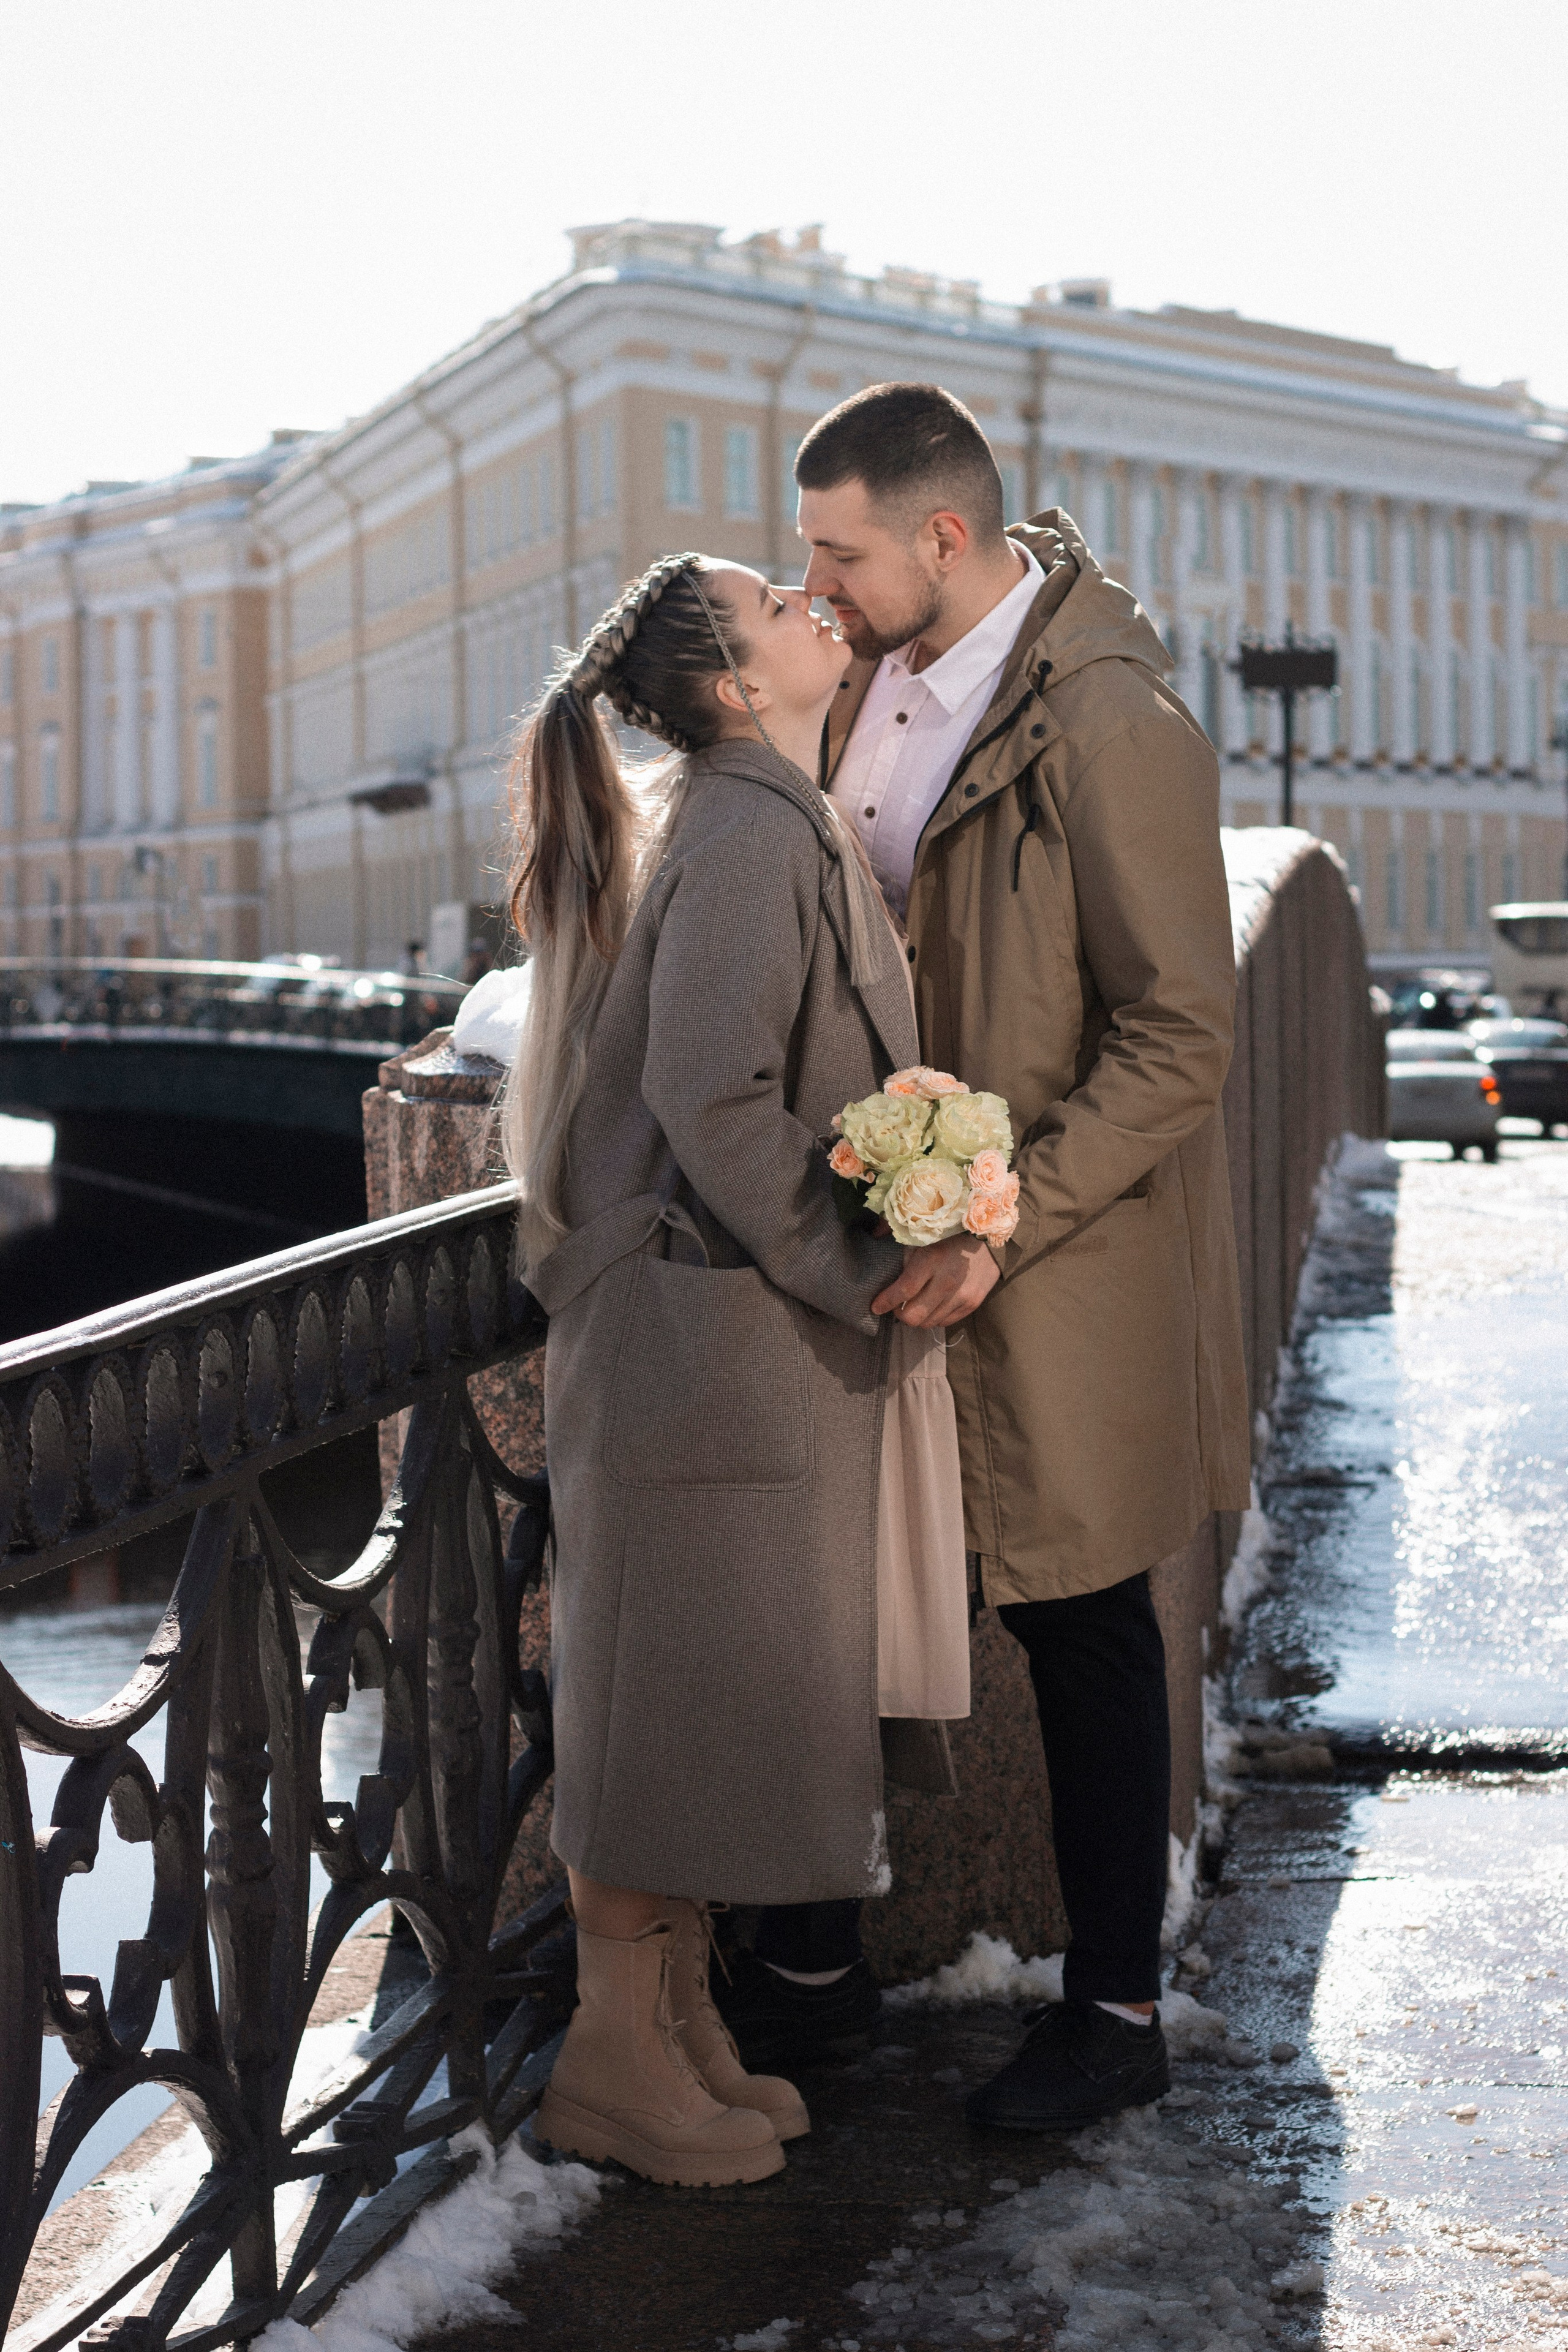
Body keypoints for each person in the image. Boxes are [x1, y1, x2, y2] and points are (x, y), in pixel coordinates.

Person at [723, 383, 1250, 2129]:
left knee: (1082, 1624)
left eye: (840, 553)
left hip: (1054, 1261)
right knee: (838, 1597)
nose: (817, 585)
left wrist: (1002, 1217)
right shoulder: (867, 682)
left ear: (942, 538)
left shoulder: (1110, 722)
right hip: (868, 1243)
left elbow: (1181, 1034)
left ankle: (1114, 2013)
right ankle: (810, 1974)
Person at [502, 551, 969, 2186]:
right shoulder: (752, 828)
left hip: (706, 1342)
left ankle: (675, 2029)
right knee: (663, 1711)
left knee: (692, 1704)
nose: (808, 597)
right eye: (775, 599)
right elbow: (712, 1096)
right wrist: (867, 1261)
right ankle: (614, 2063)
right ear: (735, 685)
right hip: (700, 1342)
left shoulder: (764, 814)